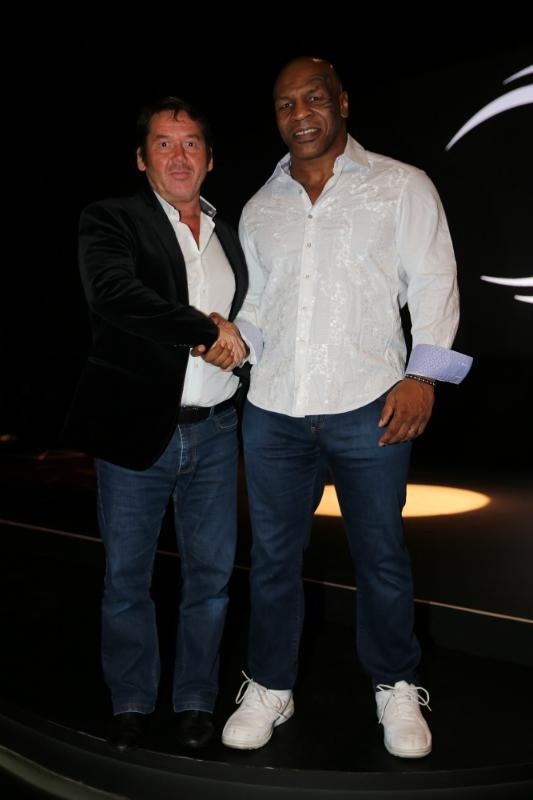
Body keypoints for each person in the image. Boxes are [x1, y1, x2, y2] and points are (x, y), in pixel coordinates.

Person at [221, 57, 472, 759]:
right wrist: (233, 340)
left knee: (380, 555)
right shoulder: (260, 206)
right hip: (274, 407)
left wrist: (423, 376)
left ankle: (395, 683)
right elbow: (261, 303)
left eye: (313, 99)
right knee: (273, 558)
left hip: (370, 402)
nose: (300, 114)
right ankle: (270, 684)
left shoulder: (401, 185)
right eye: (285, 104)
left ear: (342, 103)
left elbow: (434, 281)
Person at [62, 96, 254, 753]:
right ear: (142, 159)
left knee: (211, 580)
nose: (178, 155)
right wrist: (205, 331)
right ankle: (131, 702)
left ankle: (195, 700)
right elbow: (114, 295)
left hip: (215, 429)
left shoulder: (231, 234)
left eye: (191, 143)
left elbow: (247, 319)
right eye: (164, 144)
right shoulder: (111, 218)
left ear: (210, 158)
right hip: (135, 428)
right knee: (126, 580)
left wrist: (237, 338)